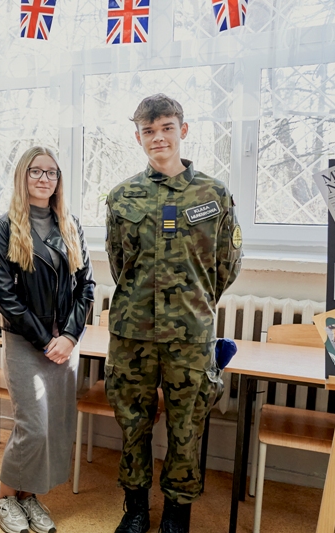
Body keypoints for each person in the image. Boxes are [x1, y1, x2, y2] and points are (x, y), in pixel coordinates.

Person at [104, 94, 242, 533]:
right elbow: (118, 263)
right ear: (138, 137)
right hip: (133, 333)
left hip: (190, 333)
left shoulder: (214, 194)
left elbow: (226, 265)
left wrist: (193, 302)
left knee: (187, 426)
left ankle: (177, 515)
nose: (158, 137)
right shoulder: (122, 196)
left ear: (182, 130)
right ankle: (136, 509)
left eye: (166, 128)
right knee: (133, 424)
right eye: (148, 130)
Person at [0, 146, 95, 533]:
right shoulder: (5, 226)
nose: (44, 178)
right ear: (23, 175)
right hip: (25, 339)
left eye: (52, 172)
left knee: (54, 427)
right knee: (32, 426)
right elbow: (6, 297)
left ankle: (28, 495)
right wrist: (44, 340)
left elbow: (87, 286)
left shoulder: (71, 224)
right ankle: (4, 497)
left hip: (65, 341)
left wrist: (69, 336)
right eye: (36, 171)